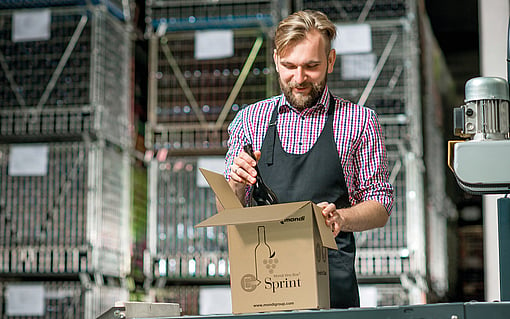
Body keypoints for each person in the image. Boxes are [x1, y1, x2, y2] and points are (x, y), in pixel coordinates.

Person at [221, 10, 394, 308]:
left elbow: (381, 204)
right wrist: (235, 185)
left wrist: (341, 217)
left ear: (330, 60)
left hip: (333, 294)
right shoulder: (250, 120)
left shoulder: (359, 121)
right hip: (266, 288)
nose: (299, 79)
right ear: (276, 60)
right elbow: (227, 210)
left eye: (311, 66)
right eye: (289, 66)